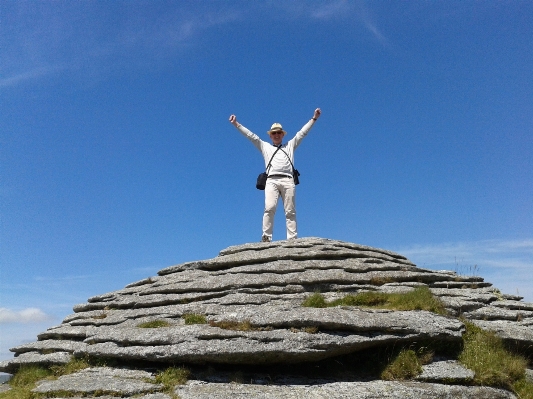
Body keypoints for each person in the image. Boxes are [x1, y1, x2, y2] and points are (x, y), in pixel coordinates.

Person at [229, 108, 321, 242]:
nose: (276, 135)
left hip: (288, 180)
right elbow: (251, 136)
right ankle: (266, 237)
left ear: (282, 135)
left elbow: (302, 133)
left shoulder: (290, 146)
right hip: (271, 181)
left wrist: (314, 118)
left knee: (290, 211)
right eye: (274, 133)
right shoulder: (265, 146)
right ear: (270, 136)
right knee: (269, 208)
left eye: (279, 133)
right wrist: (237, 124)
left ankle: (292, 239)